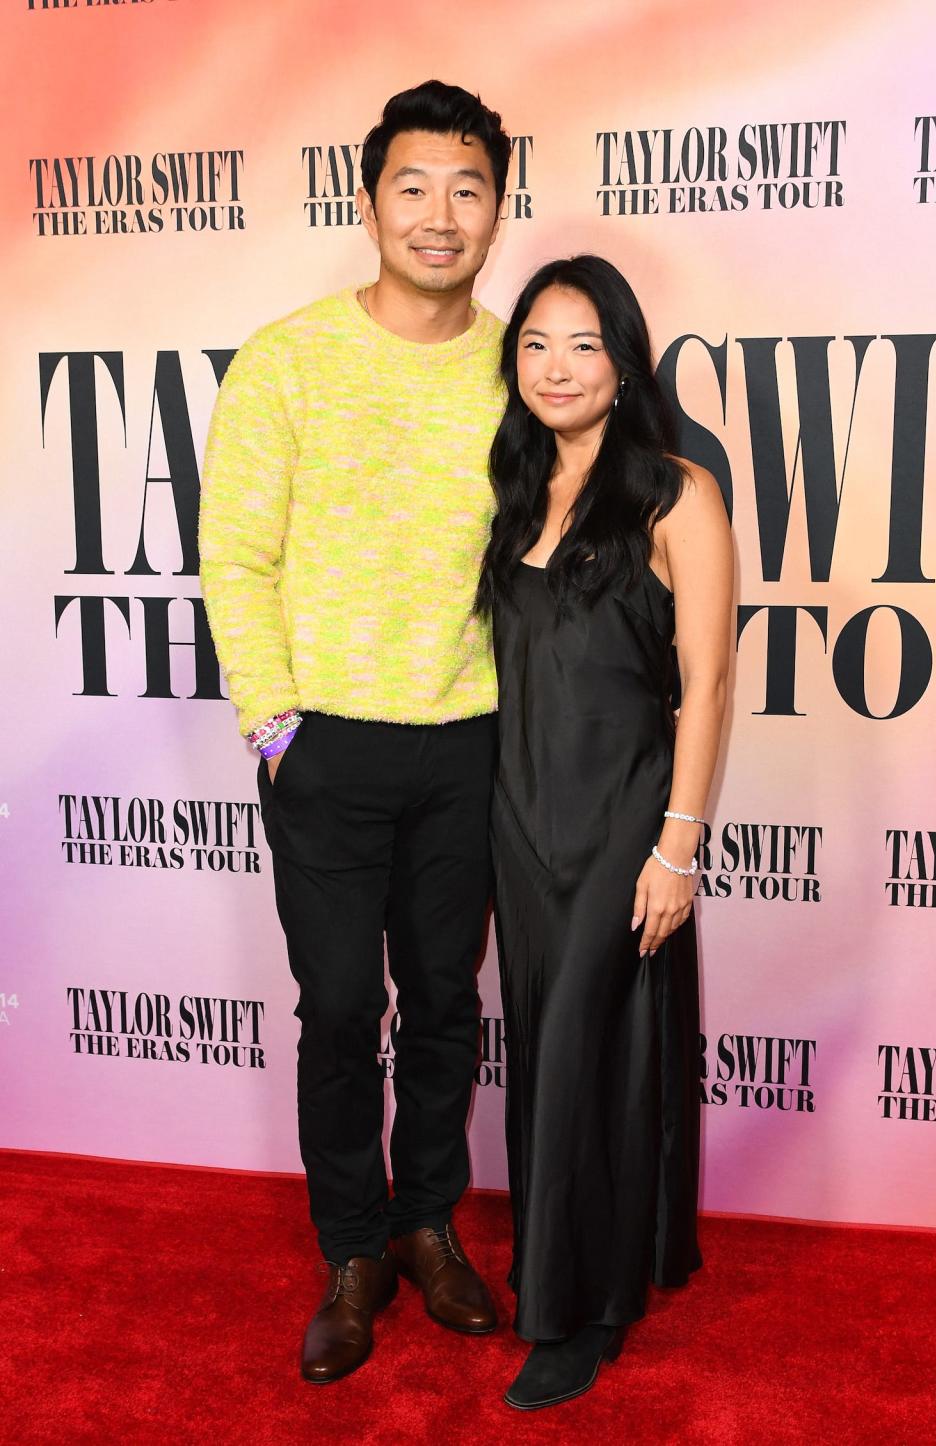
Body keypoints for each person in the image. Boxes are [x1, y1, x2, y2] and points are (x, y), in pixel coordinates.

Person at [198, 80, 512, 1384]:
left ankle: (428, 1220)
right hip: (324, 742)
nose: (442, 217)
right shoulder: (288, 358)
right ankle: (352, 1250)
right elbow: (236, 553)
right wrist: (280, 730)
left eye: (469, 189)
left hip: (472, 736)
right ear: (369, 198)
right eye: (415, 187)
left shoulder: (522, 365)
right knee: (340, 1006)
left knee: (445, 1000)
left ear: (499, 206)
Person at [476, 255, 733, 1410]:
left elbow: (711, 683)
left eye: (582, 344)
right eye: (534, 342)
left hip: (627, 815)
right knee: (548, 1046)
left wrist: (678, 846)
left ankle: (581, 1311)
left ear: (626, 362)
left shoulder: (678, 493)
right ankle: (593, 1254)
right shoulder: (517, 489)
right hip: (520, 816)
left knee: (590, 1042)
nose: (556, 366)